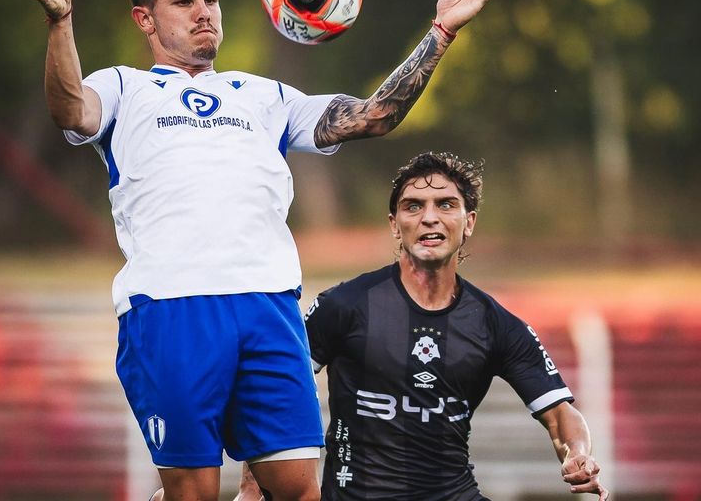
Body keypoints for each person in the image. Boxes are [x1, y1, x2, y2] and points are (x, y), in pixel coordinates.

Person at [17, 0, 501, 501]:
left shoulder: (263, 95)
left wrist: (441, 32)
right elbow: (69, 108)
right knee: (193, 492)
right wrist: (60, 22)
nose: (204, 13)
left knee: (298, 491)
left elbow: (373, 116)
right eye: (184, 2)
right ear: (145, 20)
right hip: (172, 308)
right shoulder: (123, 87)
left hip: (270, 308)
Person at [238, 152, 609, 500]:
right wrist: (252, 489)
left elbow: (561, 415)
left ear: (469, 222)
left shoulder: (497, 325)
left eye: (445, 204)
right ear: (395, 226)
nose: (429, 217)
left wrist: (577, 453)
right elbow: (276, 394)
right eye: (413, 206)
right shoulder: (345, 306)